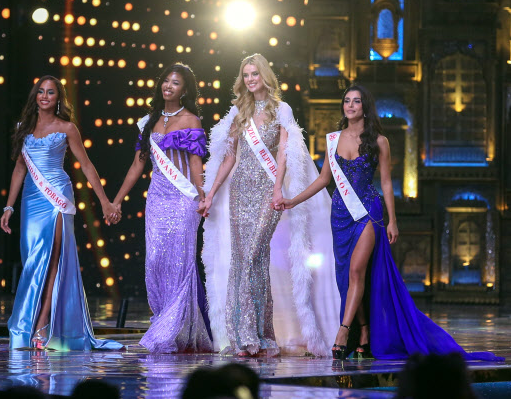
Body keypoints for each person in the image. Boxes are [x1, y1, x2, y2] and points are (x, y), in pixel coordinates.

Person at [275, 84, 503, 362]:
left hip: (368, 213)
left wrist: (392, 220)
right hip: (340, 215)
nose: (350, 106)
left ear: (364, 107)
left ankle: (343, 331)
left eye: (356, 102)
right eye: (346, 101)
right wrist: (292, 200)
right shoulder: (332, 139)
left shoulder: (379, 141)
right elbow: (324, 179)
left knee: (358, 271)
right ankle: (365, 333)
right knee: (348, 277)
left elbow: (384, 182)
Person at [200, 53, 340, 357]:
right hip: (240, 192)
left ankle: (255, 334)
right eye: (246, 75)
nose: (251, 79)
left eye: (255, 74)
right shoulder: (240, 112)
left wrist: (278, 189)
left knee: (254, 257)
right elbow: (229, 157)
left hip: (267, 191)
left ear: (265, 75)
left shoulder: (282, 109)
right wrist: (210, 193)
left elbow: (284, 153)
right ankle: (250, 337)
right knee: (244, 261)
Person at [1, 75, 122, 351]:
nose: (45, 96)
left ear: (58, 98)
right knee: (32, 260)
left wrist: (104, 201)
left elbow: (87, 166)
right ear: (35, 96)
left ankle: (42, 323)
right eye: (41, 92)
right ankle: (32, 321)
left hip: (57, 198)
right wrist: (9, 205)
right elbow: (20, 168)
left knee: (52, 258)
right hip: (31, 201)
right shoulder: (23, 127)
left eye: (51, 92)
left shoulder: (67, 128)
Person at [112, 63, 212, 353]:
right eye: (166, 81)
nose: (169, 86)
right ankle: (163, 321)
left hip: (184, 199)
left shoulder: (191, 120)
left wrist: (203, 196)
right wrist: (117, 200)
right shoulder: (148, 122)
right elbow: (137, 165)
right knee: (155, 262)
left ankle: (174, 330)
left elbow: (195, 164)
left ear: (185, 89)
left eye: (176, 83)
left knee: (180, 263)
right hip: (157, 198)